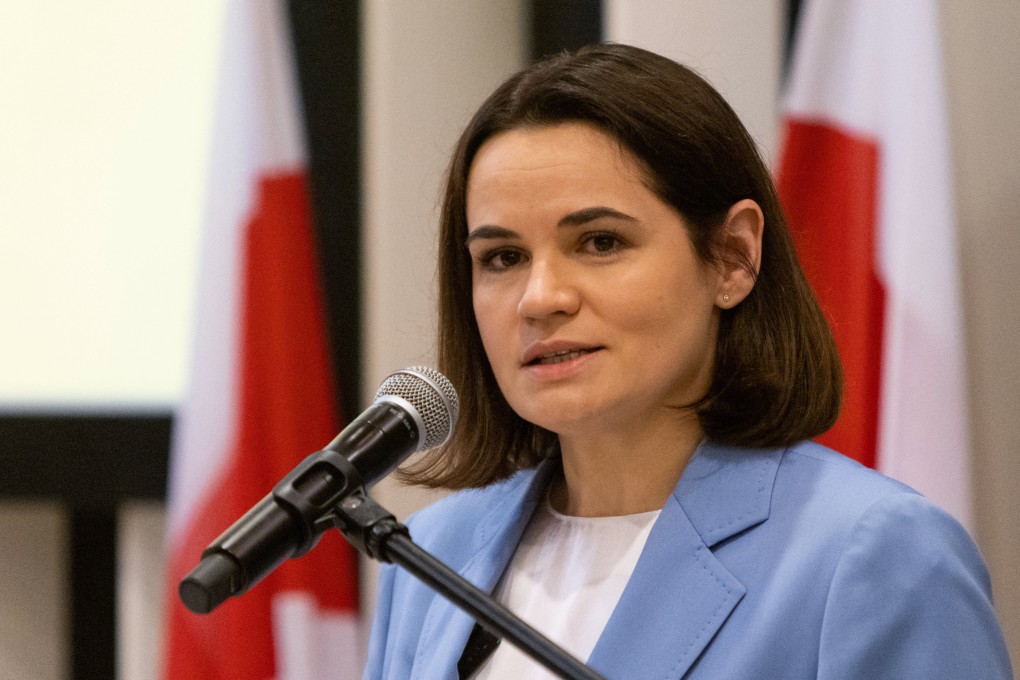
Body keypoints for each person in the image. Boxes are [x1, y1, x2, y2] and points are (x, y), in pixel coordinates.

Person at [363, 43, 1012, 679]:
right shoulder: (431, 554)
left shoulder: (871, 554)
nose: (541, 299)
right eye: (502, 257)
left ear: (733, 257)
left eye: (600, 241)